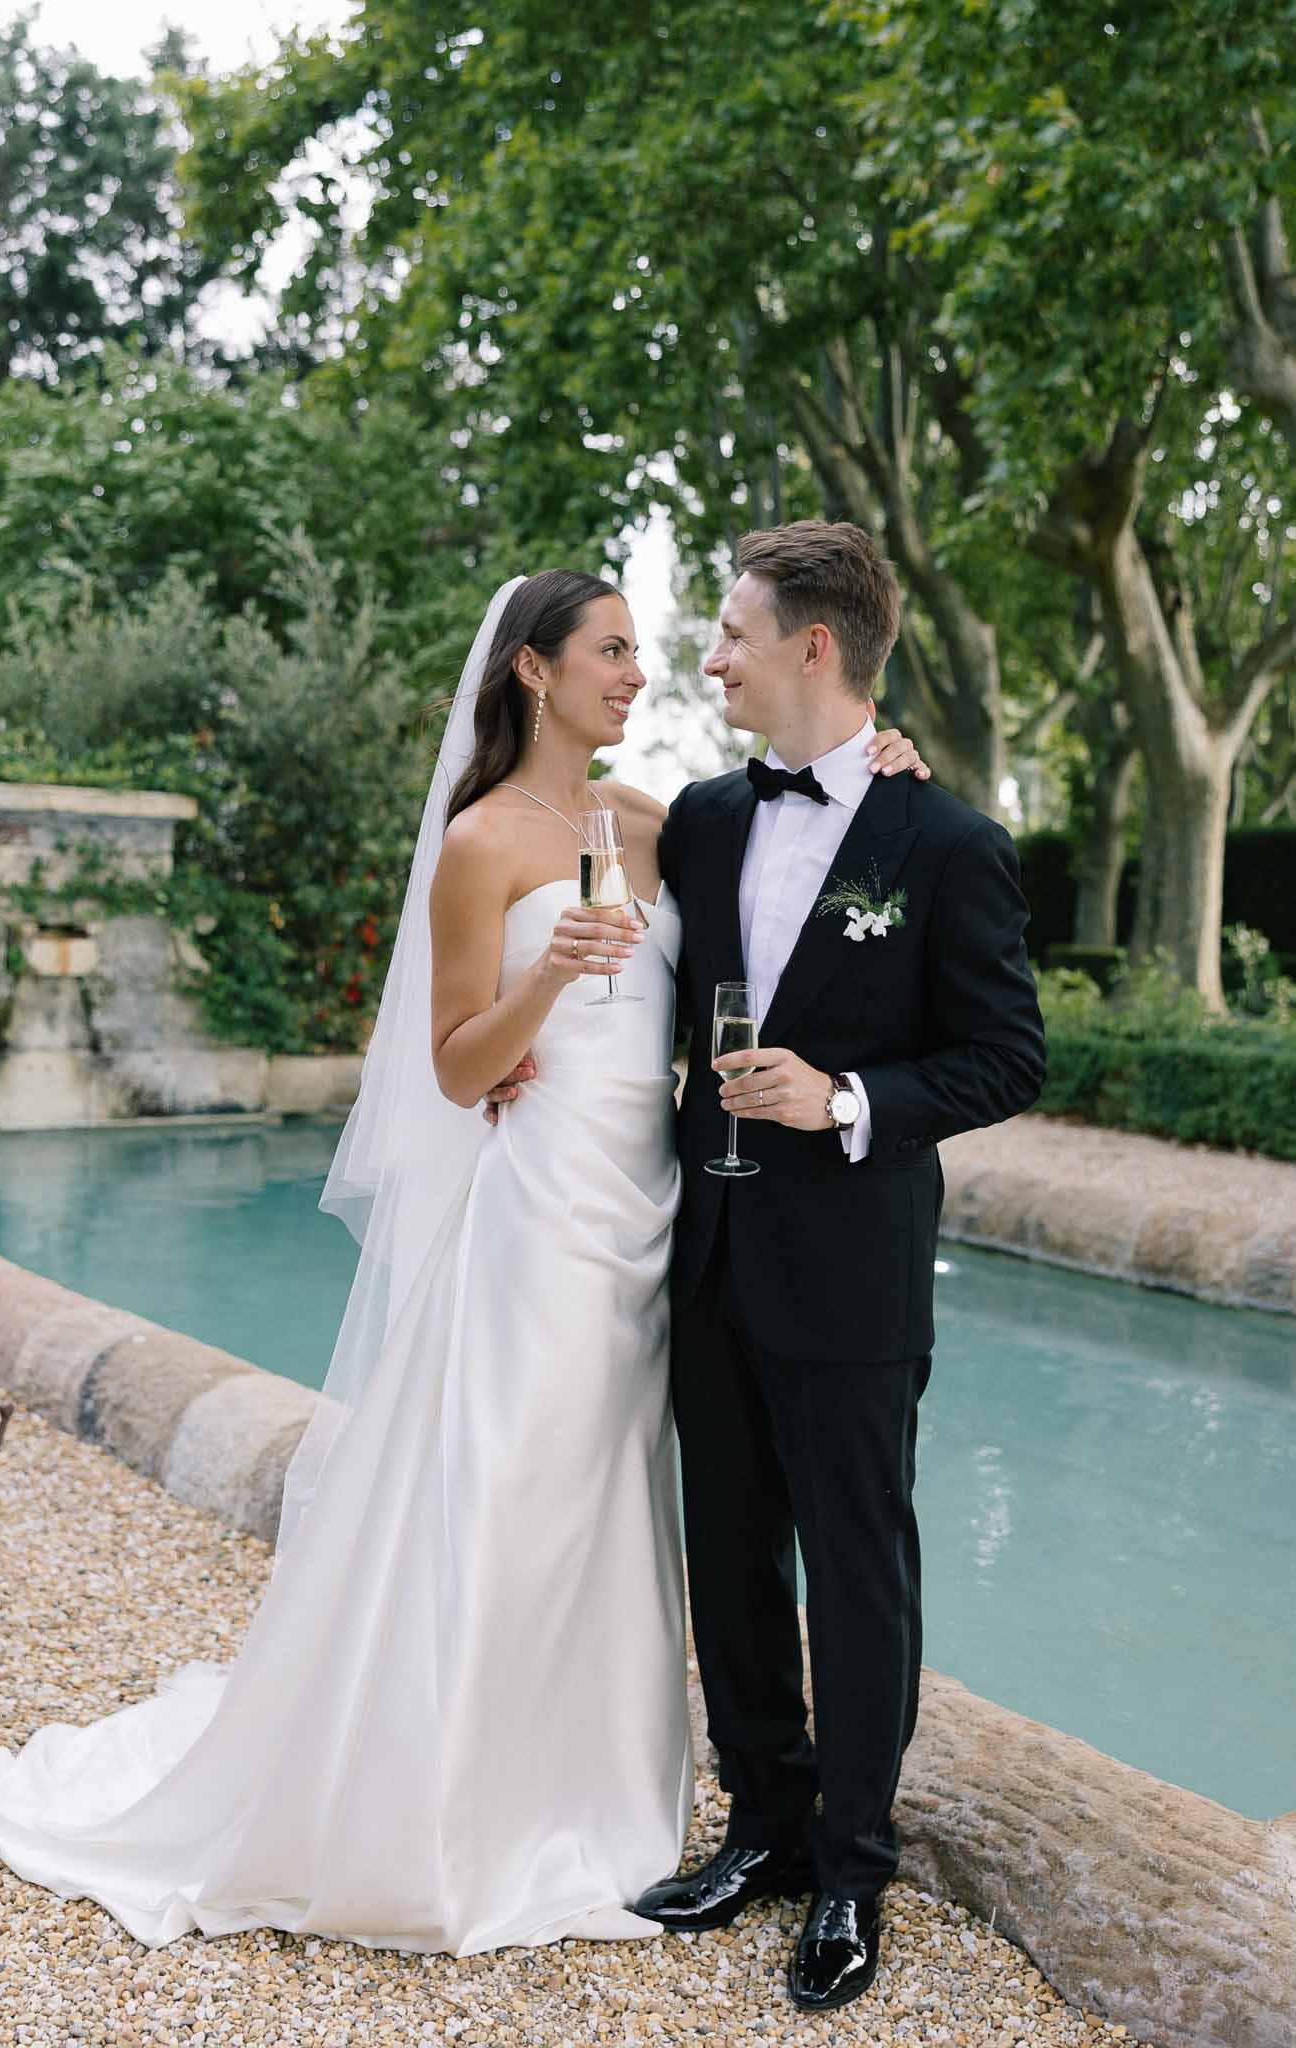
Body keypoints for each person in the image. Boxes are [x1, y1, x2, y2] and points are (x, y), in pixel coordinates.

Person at [0, 567, 926, 1958]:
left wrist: (888, 759)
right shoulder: (478, 842)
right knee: (510, 1480)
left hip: (657, 1215)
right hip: (535, 1214)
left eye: (644, 650)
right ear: (533, 668)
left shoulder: (663, 823)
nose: (639, 673)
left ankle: (599, 1793)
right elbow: (459, 1067)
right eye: (611, 650)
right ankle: (462, 1810)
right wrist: (548, 975)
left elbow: (816, 853)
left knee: (614, 1501)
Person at [630, 521, 1047, 2013]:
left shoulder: (947, 845)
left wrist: (849, 1099)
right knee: (733, 1558)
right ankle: (764, 1829)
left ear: (814, 645)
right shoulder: (698, 817)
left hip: (853, 1276)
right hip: (708, 1256)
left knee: (859, 1576)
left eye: (731, 632)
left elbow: (1007, 1056)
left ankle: (854, 1874)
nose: (710, 659)